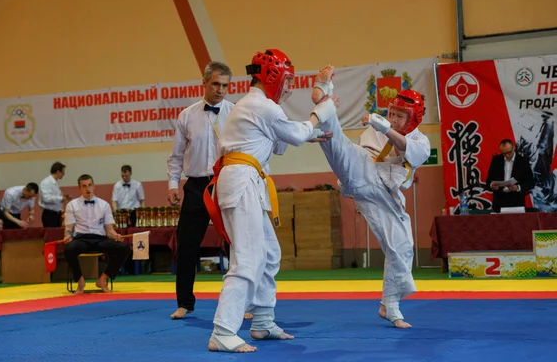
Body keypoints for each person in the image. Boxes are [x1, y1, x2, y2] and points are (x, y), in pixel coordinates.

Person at [205, 49, 336, 353]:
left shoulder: (257, 106)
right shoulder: (261, 105)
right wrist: (322, 109)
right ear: (272, 77)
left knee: (269, 252)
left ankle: (262, 320)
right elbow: (297, 133)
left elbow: (279, 144)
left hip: (248, 181)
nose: (289, 87)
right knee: (248, 258)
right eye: (287, 80)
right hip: (241, 181)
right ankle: (223, 330)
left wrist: (306, 133)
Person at [312, 65, 430, 329]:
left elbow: (408, 150)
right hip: (363, 171)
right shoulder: (376, 128)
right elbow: (362, 153)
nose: (395, 119)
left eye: (401, 116)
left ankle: (390, 305)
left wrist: (386, 127)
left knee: (400, 248)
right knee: (335, 142)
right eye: (393, 114)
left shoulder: (420, 140)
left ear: (414, 118)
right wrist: (381, 127)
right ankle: (324, 97)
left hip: (386, 195)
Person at [166, 61, 235, 320]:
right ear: (204, 83)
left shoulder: (236, 113)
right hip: (195, 186)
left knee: (237, 244)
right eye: (215, 84)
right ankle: (185, 302)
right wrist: (173, 185)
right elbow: (175, 157)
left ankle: (245, 303)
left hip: (226, 181)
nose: (220, 90)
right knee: (186, 245)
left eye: (225, 85)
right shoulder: (187, 115)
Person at [63, 174, 130, 294]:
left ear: (94, 186)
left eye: (89, 185)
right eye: (84, 186)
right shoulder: (71, 205)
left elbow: (109, 229)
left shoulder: (104, 205)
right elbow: (69, 227)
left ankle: (103, 279)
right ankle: (80, 280)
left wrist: (115, 235)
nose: (87, 188)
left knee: (123, 248)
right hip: (81, 239)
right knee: (69, 249)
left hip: (100, 239)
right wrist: (67, 235)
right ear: (79, 188)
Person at [485, 139, 534, 212]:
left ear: (514, 148)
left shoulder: (523, 161)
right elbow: (489, 180)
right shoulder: (496, 160)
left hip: (516, 201)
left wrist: (517, 187)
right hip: (499, 201)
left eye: (509, 152)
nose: (507, 155)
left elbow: (530, 182)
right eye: (504, 153)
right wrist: (492, 185)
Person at [39, 162, 71, 227]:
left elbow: (54, 196)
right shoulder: (46, 182)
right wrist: (61, 198)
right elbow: (46, 198)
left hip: (56, 214)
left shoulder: (55, 183)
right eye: (63, 172)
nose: (64, 174)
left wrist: (63, 196)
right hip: (50, 215)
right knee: (51, 234)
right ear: (58, 172)